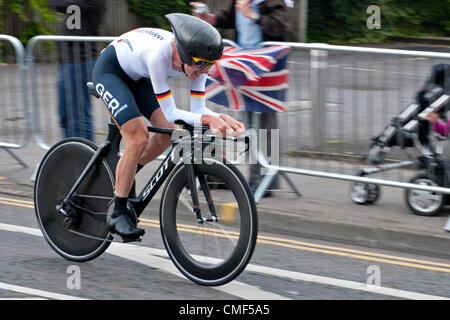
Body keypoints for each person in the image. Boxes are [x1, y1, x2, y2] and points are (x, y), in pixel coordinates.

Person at [92, 13, 245, 241]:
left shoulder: (197, 61)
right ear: (184, 54)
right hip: (111, 72)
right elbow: (173, 111)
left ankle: (126, 173)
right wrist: (208, 120)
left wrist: (220, 116)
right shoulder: (157, 55)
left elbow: (198, 109)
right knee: (138, 138)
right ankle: (117, 212)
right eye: (201, 65)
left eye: (210, 66)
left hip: (138, 76)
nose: (204, 71)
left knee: (167, 134)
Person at [191, 0, 292, 195]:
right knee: (248, 122)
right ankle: (256, 177)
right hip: (245, 65)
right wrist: (210, 19)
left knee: (265, 122)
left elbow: (280, 28)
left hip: (267, 67)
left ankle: (267, 180)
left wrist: (251, 14)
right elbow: (229, 17)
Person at [49, 0, 106, 142]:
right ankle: (70, 155)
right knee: (65, 115)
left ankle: (85, 160)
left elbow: (59, 4)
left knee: (78, 118)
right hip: (68, 61)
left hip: (80, 61)